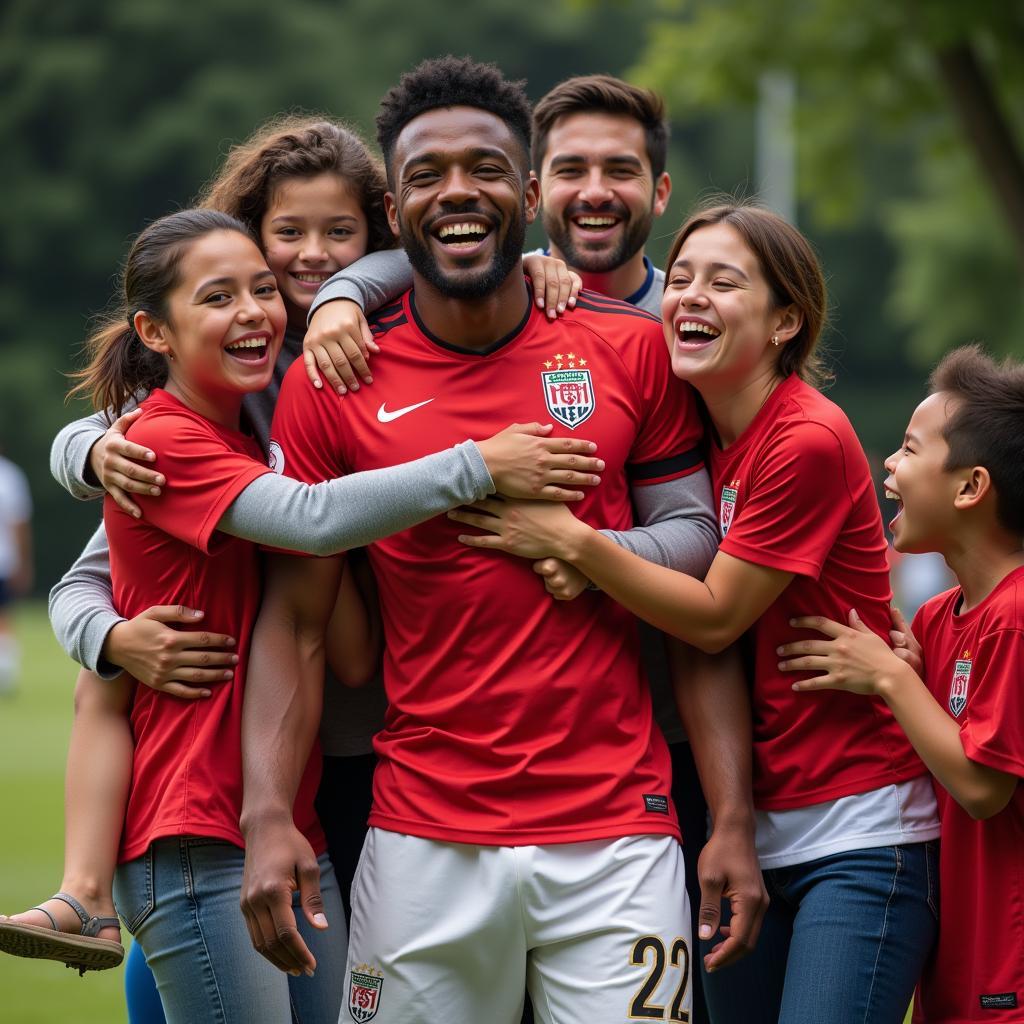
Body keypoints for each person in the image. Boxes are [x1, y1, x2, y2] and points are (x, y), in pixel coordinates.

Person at [239, 56, 767, 1024]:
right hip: (421, 836)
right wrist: (267, 815)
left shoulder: (631, 348)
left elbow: (696, 547)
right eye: (427, 176)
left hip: (618, 836)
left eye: (483, 167)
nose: (457, 192)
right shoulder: (333, 378)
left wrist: (577, 546)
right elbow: (296, 621)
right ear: (395, 212)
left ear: (525, 195)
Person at [36, 116, 583, 1021]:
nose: (313, 260)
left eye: (343, 236)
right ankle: (86, 890)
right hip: (240, 771)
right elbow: (96, 575)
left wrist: (523, 263)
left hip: (365, 747)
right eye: (286, 236)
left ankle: (94, 893)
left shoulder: (400, 323)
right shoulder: (203, 398)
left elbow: (431, 259)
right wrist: (105, 625)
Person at [449, 199, 942, 1024]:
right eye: (679, 280)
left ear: (787, 322)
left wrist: (576, 545)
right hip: (751, 818)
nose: (690, 297)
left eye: (725, 281)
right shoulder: (700, 442)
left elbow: (711, 617)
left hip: (860, 827)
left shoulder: (805, 440)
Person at [778, 345, 1024, 1023]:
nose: (888, 462)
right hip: (956, 963)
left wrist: (889, 677)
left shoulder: (1014, 616)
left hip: (1008, 971)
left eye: (911, 450)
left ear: (971, 487)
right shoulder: (940, 619)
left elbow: (981, 787)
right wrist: (910, 674)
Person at [0, 449, 32, 696]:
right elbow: (19, 524)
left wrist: (22, 562)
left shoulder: (9, 475)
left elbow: (18, 525)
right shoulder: (10, 475)